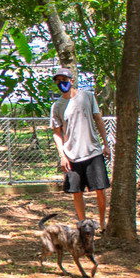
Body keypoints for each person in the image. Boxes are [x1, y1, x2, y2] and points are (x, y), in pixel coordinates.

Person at [49, 65, 110, 227]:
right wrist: (62, 155)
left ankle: (102, 223)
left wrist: (105, 144)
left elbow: (98, 119)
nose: (62, 83)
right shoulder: (56, 106)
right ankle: (83, 224)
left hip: (93, 151)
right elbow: (57, 132)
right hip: (71, 156)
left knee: (100, 190)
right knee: (76, 192)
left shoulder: (87, 97)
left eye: (64, 79)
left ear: (72, 80)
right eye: (58, 81)